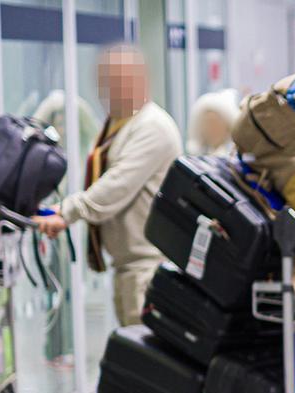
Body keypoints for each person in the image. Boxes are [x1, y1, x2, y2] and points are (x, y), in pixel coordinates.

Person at [34, 44, 183, 326]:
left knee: (146, 361)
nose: (109, 88)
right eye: (105, 80)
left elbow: (117, 186)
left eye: (118, 79)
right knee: (132, 354)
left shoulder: (152, 126)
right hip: (127, 268)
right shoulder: (118, 124)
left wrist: (66, 212)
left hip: (147, 269)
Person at [185, 88, 239, 156]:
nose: (211, 129)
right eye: (207, 123)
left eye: (216, 124)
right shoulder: (196, 156)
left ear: (227, 127)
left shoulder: (232, 156)